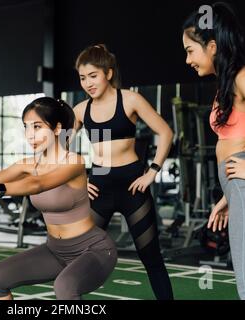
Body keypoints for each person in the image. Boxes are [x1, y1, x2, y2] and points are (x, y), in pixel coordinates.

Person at [0, 97, 118, 300]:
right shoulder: (26, 165)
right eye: (26, 127)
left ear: (57, 129)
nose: (30, 135)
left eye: (37, 127)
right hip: (55, 251)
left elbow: (38, 184)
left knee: (65, 287)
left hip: (93, 250)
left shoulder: (74, 163)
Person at [182, 2, 245, 299]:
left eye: (190, 50)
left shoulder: (241, 76)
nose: (187, 60)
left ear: (212, 46)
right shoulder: (229, 81)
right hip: (244, 191)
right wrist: (229, 195)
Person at [72, 44, 174, 300]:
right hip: (100, 187)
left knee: (150, 256)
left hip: (132, 187)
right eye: (83, 78)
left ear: (107, 73)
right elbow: (59, 149)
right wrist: (79, 180)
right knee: (77, 255)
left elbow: (165, 133)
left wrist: (152, 171)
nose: (87, 83)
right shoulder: (80, 110)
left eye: (93, 76)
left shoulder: (130, 99)